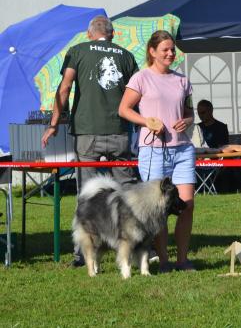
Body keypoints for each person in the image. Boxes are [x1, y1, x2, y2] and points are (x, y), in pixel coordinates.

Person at [41, 15, 139, 266]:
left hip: (86, 133)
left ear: (89, 34)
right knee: (127, 191)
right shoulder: (126, 56)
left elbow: (64, 89)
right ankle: (136, 245)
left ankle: (82, 251)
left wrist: (54, 124)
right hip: (119, 131)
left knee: (87, 193)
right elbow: (137, 93)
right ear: (113, 34)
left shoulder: (77, 51)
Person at [118, 30, 196, 273]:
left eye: (173, 49)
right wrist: (146, 121)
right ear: (152, 52)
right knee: (159, 208)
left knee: (188, 204)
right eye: (165, 49)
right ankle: (164, 261)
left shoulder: (182, 80)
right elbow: (124, 109)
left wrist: (188, 120)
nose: (171, 53)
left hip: (182, 149)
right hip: (153, 150)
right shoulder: (141, 78)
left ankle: (182, 260)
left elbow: (189, 112)